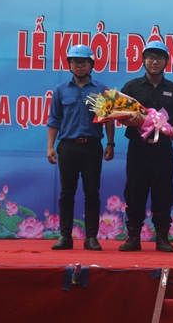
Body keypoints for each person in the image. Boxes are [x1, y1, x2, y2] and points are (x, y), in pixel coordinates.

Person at [47, 45, 115, 251]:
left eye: (83, 62)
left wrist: (110, 143)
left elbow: (109, 119)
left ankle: (91, 238)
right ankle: (65, 236)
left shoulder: (102, 90)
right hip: (67, 147)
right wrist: (50, 147)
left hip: (92, 147)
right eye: (75, 62)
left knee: (92, 192)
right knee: (66, 193)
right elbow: (54, 120)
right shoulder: (60, 90)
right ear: (69, 65)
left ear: (91, 64)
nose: (79, 65)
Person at [118, 41, 173, 252]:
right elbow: (120, 116)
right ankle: (133, 237)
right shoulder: (131, 88)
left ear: (166, 62)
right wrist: (131, 120)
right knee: (134, 192)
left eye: (159, 58)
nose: (155, 62)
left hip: (162, 149)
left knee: (163, 193)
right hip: (138, 148)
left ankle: (162, 237)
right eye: (151, 58)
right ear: (144, 60)